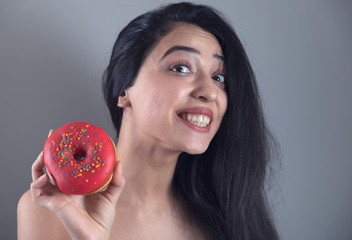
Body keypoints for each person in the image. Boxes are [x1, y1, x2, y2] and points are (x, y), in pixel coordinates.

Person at [18, 2, 279, 240]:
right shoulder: (50, 210)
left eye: (219, 78)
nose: (210, 91)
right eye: (181, 68)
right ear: (124, 89)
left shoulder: (228, 221)